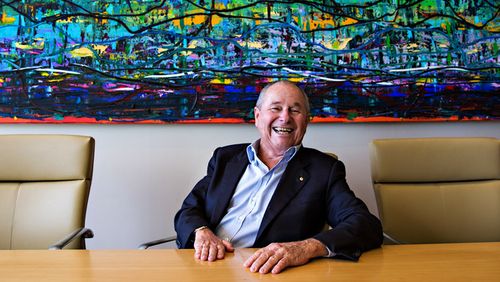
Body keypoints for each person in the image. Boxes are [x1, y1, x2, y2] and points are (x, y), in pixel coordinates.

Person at [174, 80, 383, 274]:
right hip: (203, 266)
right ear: (257, 116)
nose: (285, 117)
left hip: (265, 273)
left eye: (295, 110)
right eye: (275, 108)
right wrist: (202, 232)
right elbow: (190, 209)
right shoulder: (225, 158)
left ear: (307, 121)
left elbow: (365, 225)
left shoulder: (324, 171)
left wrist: (307, 247)